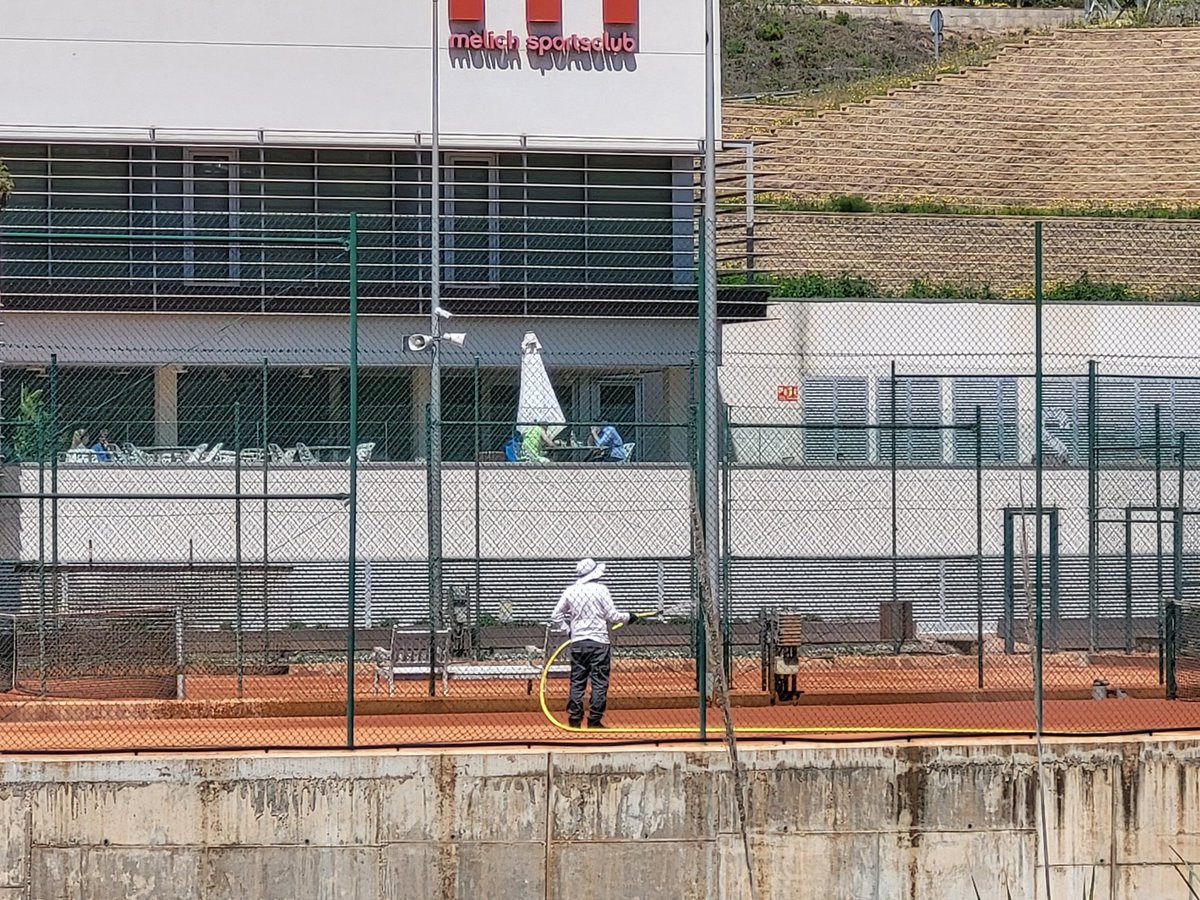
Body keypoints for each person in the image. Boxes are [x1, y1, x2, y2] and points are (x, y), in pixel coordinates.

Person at [550, 557, 644, 729]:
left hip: (578, 642)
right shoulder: (601, 590)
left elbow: (555, 615)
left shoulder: (570, 591)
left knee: (577, 680)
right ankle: (594, 720)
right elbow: (613, 616)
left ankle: (574, 719)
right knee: (599, 682)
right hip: (599, 642)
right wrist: (629, 617)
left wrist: (568, 630)